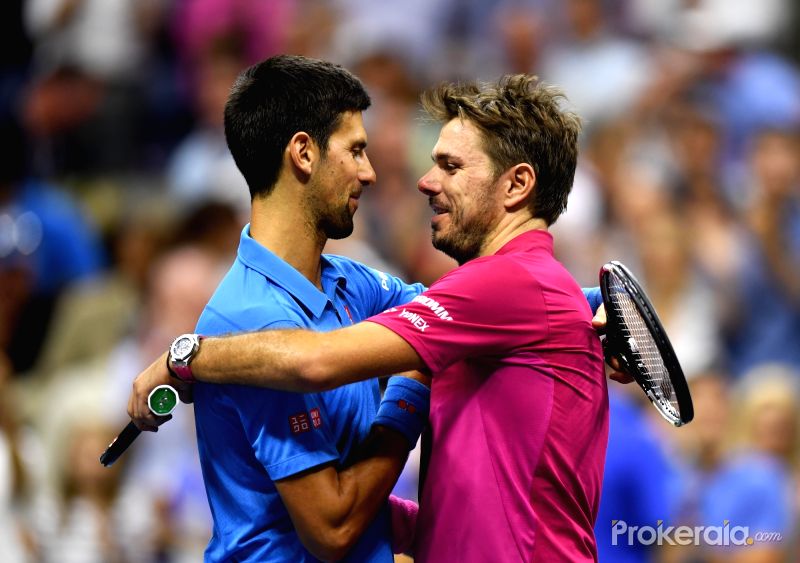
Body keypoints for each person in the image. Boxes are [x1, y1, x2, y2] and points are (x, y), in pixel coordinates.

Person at [130, 67, 610, 561]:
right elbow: (332, 527)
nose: (383, 174)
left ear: (516, 186)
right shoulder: (252, 317)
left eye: (450, 165)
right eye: (356, 150)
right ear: (302, 153)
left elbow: (319, 361)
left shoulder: (367, 284)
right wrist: (412, 385)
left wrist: (183, 358)